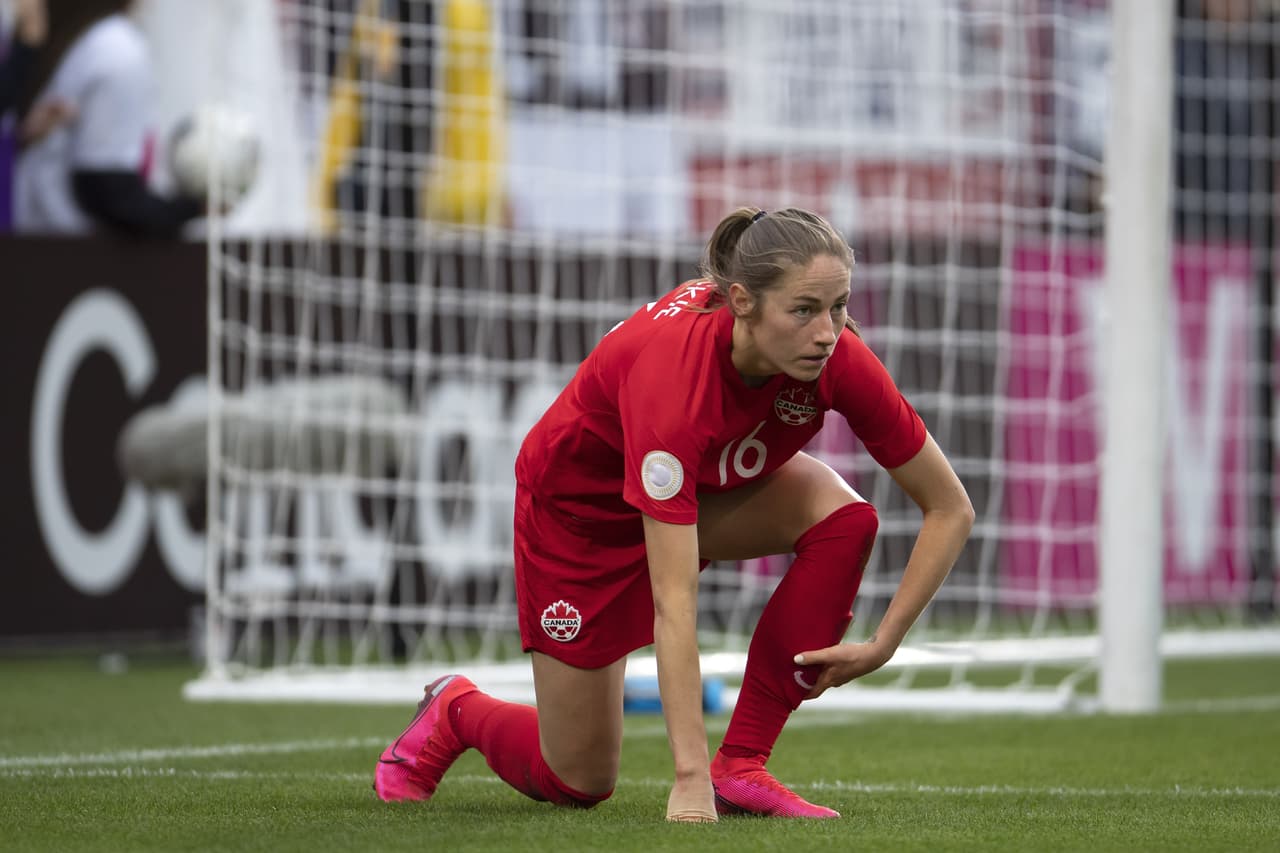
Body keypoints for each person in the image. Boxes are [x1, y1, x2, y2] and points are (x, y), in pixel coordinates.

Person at [373, 207, 974, 821]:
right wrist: (685, 779)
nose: (827, 332)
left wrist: (883, 643)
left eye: (839, 307)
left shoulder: (836, 357)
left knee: (845, 522)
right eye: (804, 310)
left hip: (699, 486)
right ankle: (455, 709)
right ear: (742, 301)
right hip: (581, 517)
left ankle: (740, 767)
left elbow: (950, 508)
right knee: (577, 779)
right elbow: (675, 602)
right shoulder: (673, 382)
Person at [10, 0, 201, 237]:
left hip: (45, 243)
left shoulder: (88, 40)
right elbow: (106, 190)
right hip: (70, 254)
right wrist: (194, 208)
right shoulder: (117, 47)